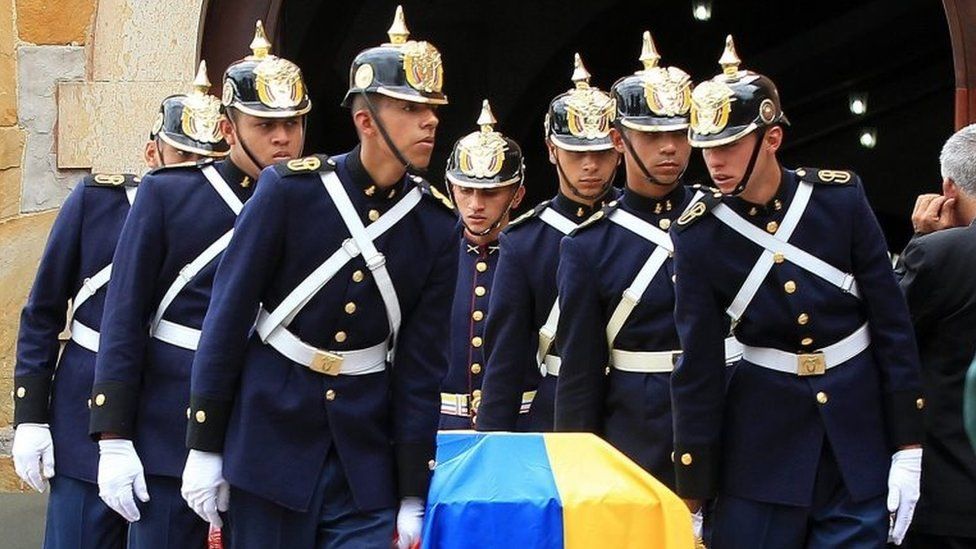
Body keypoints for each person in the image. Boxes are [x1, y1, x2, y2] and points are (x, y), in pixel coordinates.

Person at [179, 6, 457, 548]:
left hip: (365, 458)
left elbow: (421, 365)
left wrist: (410, 491)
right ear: (366, 120)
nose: (429, 121)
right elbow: (228, 317)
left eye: (432, 109)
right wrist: (205, 445)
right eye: (409, 107)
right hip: (269, 444)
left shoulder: (434, 223)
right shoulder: (290, 191)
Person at [670, 36, 924, 547]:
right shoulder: (698, 233)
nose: (714, 162)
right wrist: (693, 489)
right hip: (760, 446)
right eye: (707, 149)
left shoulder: (840, 198)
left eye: (729, 145)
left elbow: (892, 325)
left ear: (771, 140)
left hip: (856, 436)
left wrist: (908, 446)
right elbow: (696, 366)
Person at [88, 23, 309, 548]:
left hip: (266, 430)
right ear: (229, 130)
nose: (282, 138)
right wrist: (113, 437)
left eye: (293, 124)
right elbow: (124, 315)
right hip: (169, 427)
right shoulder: (169, 194)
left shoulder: (315, 199)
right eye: (264, 124)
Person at [10, 73, 228, 548]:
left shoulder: (235, 219)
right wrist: (30, 416)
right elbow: (43, 313)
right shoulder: (98, 201)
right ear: (153, 154)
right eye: (184, 158)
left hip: (172, 426)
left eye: (209, 163)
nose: (195, 173)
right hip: (86, 414)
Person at [554, 32, 695, 487]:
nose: (670, 147)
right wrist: (577, 475)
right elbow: (580, 375)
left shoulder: (717, 219)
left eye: (679, 132)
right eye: (653, 136)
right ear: (618, 140)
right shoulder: (587, 245)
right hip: (638, 430)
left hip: (731, 415)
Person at [477, 53, 621, 432]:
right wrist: (493, 448)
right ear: (553, 150)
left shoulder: (636, 223)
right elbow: (504, 365)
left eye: (601, 152)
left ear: (620, 149)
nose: (590, 165)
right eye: (576, 153)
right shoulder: (525, 241)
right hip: (558, 409)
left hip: (637, 407)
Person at [896, 123, 976, 548]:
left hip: (953, 497)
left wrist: (922, 239)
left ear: (948, 187)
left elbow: (886, 332)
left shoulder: (938, 254)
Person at [440, 100, 526, 430]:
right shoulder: (435, 257)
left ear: (517, 196)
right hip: (442, 425)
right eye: (466, 190)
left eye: (490, 193)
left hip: (519, 425)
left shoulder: (531, 257)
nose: (476, 205)